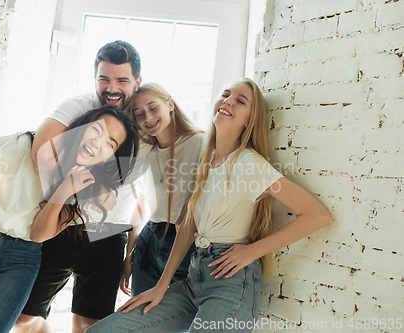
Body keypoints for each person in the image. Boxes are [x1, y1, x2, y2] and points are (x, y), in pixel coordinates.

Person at [85, 78, 333, 333]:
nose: (228, 101)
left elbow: (317, 215)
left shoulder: (249, 163)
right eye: (226, 94)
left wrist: (252, 252)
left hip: (231, 282)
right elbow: (189, 225)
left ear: (249, 120)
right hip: (195, 277)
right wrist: (161, 286)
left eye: (240, 101)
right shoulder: (209, 159)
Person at [0, 105, 139, 333]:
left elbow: (38, 234)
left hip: (21, 260)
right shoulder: (28, 145)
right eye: (97, 130)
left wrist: (63, 191)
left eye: (110, 144)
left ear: (111, 156)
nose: (98, 142)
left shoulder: (88, 189)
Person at [12, 40, 148, 333]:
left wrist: (130, 248)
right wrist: (89, 190)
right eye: (104, 79)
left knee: (89, 326)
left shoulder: (148, 116)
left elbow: (145, 192)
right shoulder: (80, 106)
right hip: (65, 222)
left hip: (110, 234)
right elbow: (41, 152)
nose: (111, 88)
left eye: (122, 80)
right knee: (24, 317)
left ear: (137, 82)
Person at [119, 82, 205, 297]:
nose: (147, 118)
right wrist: (128, 257)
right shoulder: (147, 152)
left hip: (186, 242)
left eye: (153, 108)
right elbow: (141, 204)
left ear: (170, 104)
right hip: (149, 239)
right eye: (139, 114)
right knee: (139, 318)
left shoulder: (201, 143)